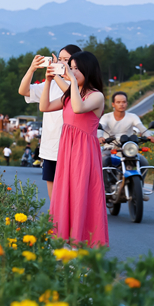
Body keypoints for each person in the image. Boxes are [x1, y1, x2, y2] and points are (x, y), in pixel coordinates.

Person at [40, 51, 109, 247]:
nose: (72, 71)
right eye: (71, 67)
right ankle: (63, 241)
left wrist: (69, 79)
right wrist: (49, 81)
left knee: (80, 195)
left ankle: (80, 244)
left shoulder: (96, 96)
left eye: (77, 68)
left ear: (88, 70)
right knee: (64, 194)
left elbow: (78, 108)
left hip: (84, 153)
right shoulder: (70, 95)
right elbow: (44, 106)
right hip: (66, 151)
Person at [18, 44, 82, 200]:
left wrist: (56, 75)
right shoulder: (51, 84)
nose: (61, 63)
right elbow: (23, 91)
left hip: (72, 148)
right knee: (54, 198)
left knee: (72, 196)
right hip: (51, 148)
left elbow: (69, 94)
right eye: (59, 59)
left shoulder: (79, 86)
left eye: (66, 60)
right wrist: (32, 69)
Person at [98, 91, 154, 188]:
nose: (121, 104)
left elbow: (141, 127)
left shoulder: (132, 117)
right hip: (111, 149)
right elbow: (100, 128)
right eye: (118, 102)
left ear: (127, 103)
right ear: (113, 104)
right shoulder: (106, 117)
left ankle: (139, 187)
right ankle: (106, 188)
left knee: (144, 163)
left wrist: (148, 135)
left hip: (128, 149)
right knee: (103, 161)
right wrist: (100, 137)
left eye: (124, 102)